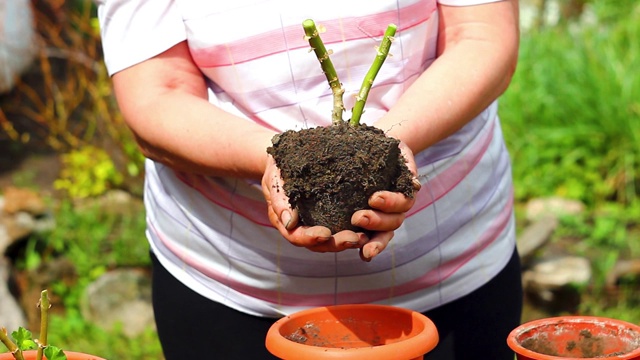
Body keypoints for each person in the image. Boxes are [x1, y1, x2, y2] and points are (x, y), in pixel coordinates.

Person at [96, 0, 521, 358]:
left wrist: (392, 145)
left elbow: (482, 35)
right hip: (231, 288)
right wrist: (272, 157)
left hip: (453, 268)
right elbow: (157, 90)